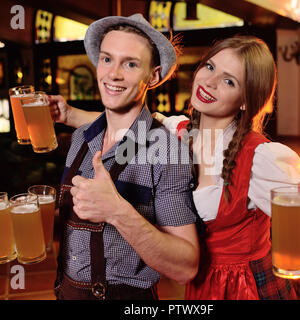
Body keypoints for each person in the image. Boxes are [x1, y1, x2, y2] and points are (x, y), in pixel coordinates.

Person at [51, 35, 300, 300]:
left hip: (246, 286)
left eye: (229, 81)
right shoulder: (177, 131)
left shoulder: (261, 157)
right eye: (210, 67)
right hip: (201, 284)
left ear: (245, 101)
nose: (210, 82)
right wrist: (68, 114)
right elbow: (125, 126)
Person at [53, 14, 200, 300]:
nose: (113, 74)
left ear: (153, 76)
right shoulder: (82, 138)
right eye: (107, 59)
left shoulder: (165, 150)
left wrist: (118, 212)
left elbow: (186, 266)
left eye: (130, 64)